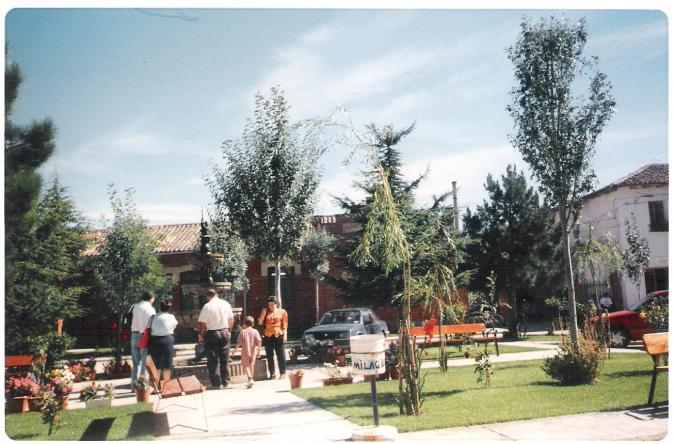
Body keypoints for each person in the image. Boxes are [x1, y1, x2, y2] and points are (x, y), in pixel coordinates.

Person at [198, 289, 234, 389]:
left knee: (212, 360)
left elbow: (202, 323)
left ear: (208, 296)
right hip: (225, 331)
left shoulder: (207, 306)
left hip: (212, 333)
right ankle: (226, 382)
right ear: (216, 295)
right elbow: (231, 319)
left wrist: (201, 335)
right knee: (224, 359)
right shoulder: (226, 304)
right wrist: (229, 331)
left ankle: (215, 383)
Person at [257, 296, 288, 380]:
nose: (270, 305)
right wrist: (263, 314)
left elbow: (285, 324)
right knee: (269, 355)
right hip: (268, 335)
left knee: (280, 354)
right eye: (269, 304)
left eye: (272, 304)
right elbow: (260, 323)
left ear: (276, 304)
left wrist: (285, 335)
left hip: (278, 334)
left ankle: (282, 372)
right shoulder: (265, 312)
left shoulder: (282, 312)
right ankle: (272, 373)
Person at [130, 291, 156, 389]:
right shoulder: (150, 308)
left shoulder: (134, 306)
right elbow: (152, 323)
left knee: (135, 363)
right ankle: (142, 386)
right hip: (144, 335)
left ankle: (133, 386)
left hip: (134, 334)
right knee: (144, 363)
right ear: (151, 298)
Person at [149, 300, 178, 382]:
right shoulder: (171, 317)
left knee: (156, 365)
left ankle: (155, 385)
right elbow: (174, 326)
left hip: (155, 340)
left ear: (159, 307)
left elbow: (149, 327)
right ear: (169, 308)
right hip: (167, 340)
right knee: (167, 364)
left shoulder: (153, 317)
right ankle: (166, 384)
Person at [234, 316, 262, 388]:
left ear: (244, 324)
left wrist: (234, 350)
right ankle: (251, 379)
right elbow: (259, 341)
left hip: (245, 351)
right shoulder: (255, 331)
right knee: (251, 365)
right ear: (253, 324)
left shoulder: (243, 332)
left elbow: (239, 343)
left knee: (246, 365)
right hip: (253, 351)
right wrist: (259, 350)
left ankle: (249, 378)